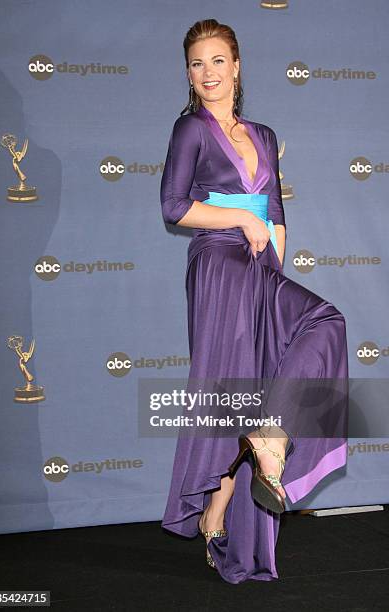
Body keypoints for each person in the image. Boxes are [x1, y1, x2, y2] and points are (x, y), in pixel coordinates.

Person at [160, 19, 349, 584]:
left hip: (260, 267)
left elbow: (277, 215)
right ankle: (219, 513)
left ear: (237, 66)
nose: (208, 73)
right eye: (197, 63)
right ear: (189, 74)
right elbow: (174, 207)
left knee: (321, 323)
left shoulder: (263, 135)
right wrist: (241, 217)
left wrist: (272, 276)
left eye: (218, 61)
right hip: (217, 264)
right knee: (231, 393)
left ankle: (264, 443)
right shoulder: (190, 128)